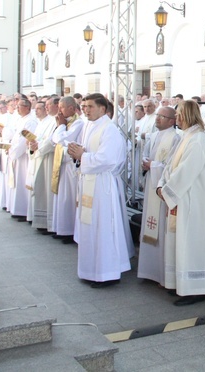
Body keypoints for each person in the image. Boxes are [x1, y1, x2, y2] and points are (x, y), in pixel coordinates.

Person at [68, 94, 133, 287]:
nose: (85, 109)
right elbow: (87, 153)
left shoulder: (109, 129)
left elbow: (108, 160)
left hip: (102, 186)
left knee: (103, 228)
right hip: (90, 183)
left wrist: (83, 156)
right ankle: (91, 270)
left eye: (90, 106)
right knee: (90, 228)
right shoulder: (91, 126)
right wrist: (76, 153)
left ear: (103, 109)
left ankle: (107, 273)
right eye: (84, 106)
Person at [157, 100, 205, 305]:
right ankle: (181, 284)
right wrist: (162, 184)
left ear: (188, 115)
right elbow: (170, 165)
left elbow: (186, 171)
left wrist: (167, 190)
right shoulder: (187, 137)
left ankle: (197, 289)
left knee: (191, 243)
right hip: (181, 199)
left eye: (180, 114)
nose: (177, 118)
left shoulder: (198, 139)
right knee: (180, 243)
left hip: (193, 201)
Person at [137, 106, 180, 285]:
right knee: (150, 222)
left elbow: (172, 166)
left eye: (162, 116)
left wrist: (152, 165)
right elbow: (145, 155)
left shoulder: (176, 138)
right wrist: (144, 162)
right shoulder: (154, 135)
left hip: (162, 190)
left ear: (172, 121)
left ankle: (162, 273)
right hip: (150, 186)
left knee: (160, 226)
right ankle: (149, 270)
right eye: (157, 115)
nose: (157, 119)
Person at [50, 97, 84, 243]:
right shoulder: (65, 122)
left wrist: (61, 126)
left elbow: (62, 139)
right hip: (62, 165)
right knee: (61, 198)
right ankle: (61, 228)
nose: (59, 111)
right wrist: (61, 127)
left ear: (71, 108)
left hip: (71, 166)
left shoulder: (78, 122)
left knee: (69, 198)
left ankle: (69, 231)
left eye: (62, 107)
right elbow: (54, 139)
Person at [27, 98, 59, 231]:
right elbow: (38, 138)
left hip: (50, 159)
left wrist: (38, 148)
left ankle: (49, 223)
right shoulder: (44, 122)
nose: (46, 108)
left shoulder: (57, 121)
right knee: (40, 188)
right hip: (40, 157)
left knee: (47, 190)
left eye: (48, 105)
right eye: (45, 105)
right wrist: (33, 145)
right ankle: (41, 220)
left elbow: (52, 141)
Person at [7, 98, 37, 218]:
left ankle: (23, 210)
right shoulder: (20, 119)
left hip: (23, 156)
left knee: (22, 180)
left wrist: (13, 152)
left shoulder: (31, 121)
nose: (17, 108)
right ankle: (16, 208)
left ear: (27, 108)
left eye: (19, 106)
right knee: (17, 181)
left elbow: (24, 140)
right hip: (16, 154)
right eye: (17, 106)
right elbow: (15, 137)